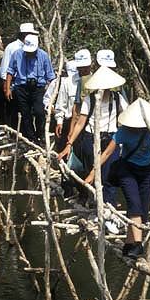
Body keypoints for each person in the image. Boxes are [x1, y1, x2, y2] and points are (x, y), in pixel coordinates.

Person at [83, 98, 150, 259]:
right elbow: (106, 153)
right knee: (134, 204)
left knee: (143, 212)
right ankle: (138, 246)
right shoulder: (124, 131)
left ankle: (128, 245)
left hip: (146, 171)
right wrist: (92, 173)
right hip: (127, 169)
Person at [58, 66, 128, 205]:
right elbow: (80, 124)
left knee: (110, 174)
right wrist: (69, 144)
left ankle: (109, 207)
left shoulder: (117, 98)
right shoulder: (89, 100)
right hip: (91, 139)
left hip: (111, 140)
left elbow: (129, 114)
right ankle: (96, 203)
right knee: (93, 173)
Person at [5, 34, 56, 143]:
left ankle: (39, 134)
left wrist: (53, 95)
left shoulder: (44, 56)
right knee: (25, 113)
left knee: (39, 111)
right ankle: (31, 137)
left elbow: (51, 76)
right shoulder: (17, 54)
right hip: (21, 87)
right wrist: (8, 88)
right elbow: (10, 71)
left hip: (38, 88)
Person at [53, 60, 80, 152]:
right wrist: (59, 121)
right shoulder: (67, 82)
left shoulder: (93, 81)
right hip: (69, 123)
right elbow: (61, 103)